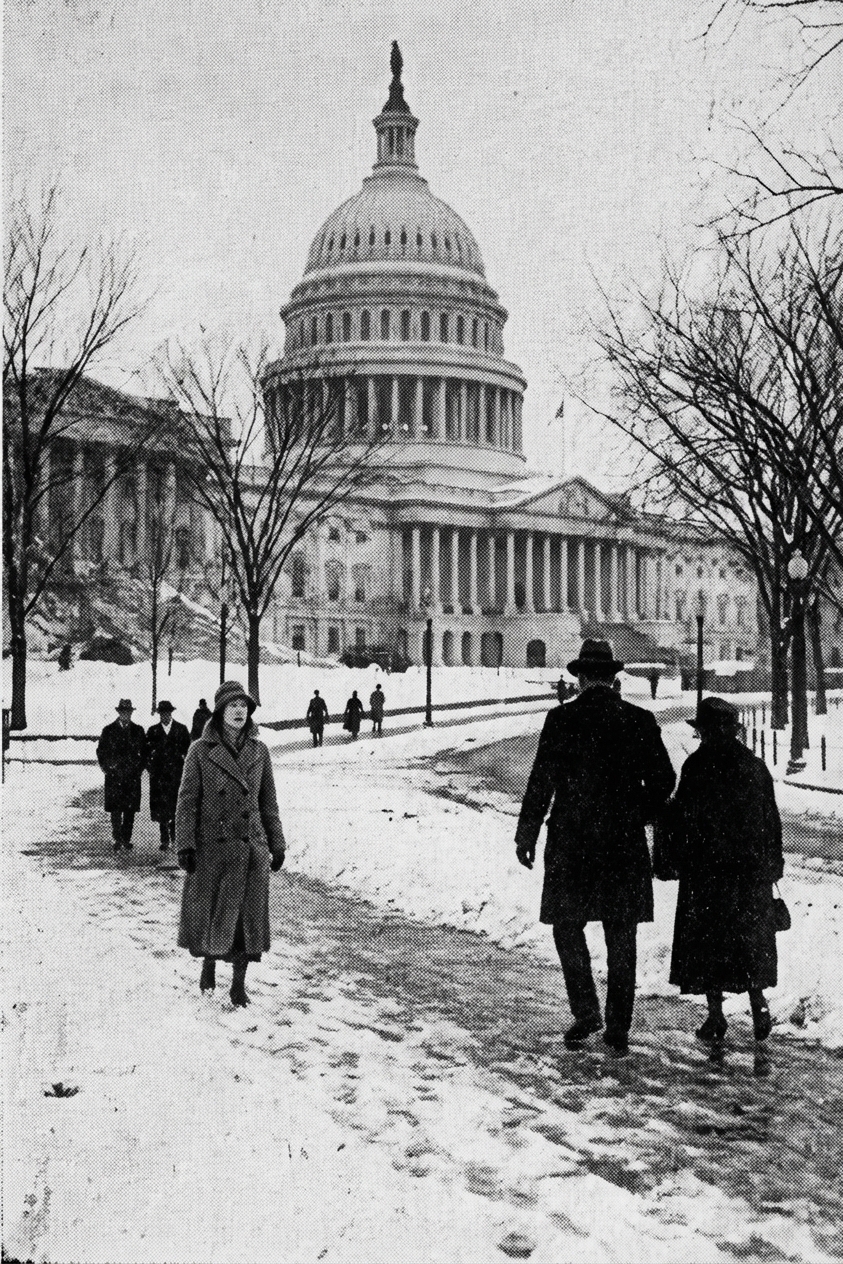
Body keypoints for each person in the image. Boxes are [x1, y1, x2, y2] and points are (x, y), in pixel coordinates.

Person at [515, 640, 676, 1056]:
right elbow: (664, 781)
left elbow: (541, 781)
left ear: (581, 678)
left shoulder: (561, 719)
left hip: (572, 842)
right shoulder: (639, 720)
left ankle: (586, 1009)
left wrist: (527, 833)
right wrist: (635, 812)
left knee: (567, 927)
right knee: (621, 934)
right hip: (622, 845)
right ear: (613, 678)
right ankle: (618, 1025)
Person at [657, 696, 784, 1045]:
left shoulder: (697, 767)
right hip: (749, 875)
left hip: (707, 875)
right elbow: (770, 820)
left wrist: (670, 848)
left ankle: (716, 1016)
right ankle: (758, 1005)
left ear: (707, 731)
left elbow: (682, 818)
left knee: (708, 945)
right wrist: (773, 865)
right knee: (749, 943)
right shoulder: (755, 767)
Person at [175, 680, 286, 1008]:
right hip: (213, 849)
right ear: (220, 710)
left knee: (245, 924)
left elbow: (269, 802)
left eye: (244, 706)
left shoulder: (259, 750)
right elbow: (187, 801)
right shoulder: (199, 750)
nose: (239, 711)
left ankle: (238, 984)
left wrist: (276, 843)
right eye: (232, 705)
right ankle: (208, 965)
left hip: (250, 849)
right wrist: (185, 845)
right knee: (212, 917)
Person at [96, 699, 147, 851]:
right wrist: (107, 769)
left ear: (131, 713)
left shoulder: (138, 730)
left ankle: (126, 839)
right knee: (116, 810)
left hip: (132, 777)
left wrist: (138, 770)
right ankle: (117, 838)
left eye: (128, 712)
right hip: (114, 776)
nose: (126, 715)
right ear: (119, 713)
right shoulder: (108, 730)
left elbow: (145, 753)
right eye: (123, 712)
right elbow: (101, 752)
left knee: (130, 811)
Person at [146, 701, 191, 851]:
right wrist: (151, 768)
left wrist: (184, 769)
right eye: (162, 713)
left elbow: (189, 752)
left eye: (167, 713)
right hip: (158, 777)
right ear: (159, 714)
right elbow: (145, 753)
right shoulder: (152, 731)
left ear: (171, 713)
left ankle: (175, 837)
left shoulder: (181, 729)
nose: (165, 716)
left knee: (176, 808)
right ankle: (164, 839)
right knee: (161, 810)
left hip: (176, 777)